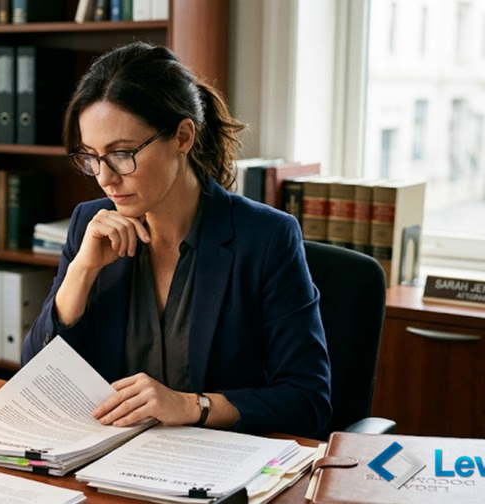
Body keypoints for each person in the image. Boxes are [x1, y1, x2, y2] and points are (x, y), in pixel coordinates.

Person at [21, 42, 331, 438]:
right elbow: (35, 376)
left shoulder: (267, 238)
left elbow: (308, 401)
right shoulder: (89, 224)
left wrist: (189, 405)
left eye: (121, 153)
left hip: (218, 469)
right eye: (92, 157)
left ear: (183, 136)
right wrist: (81, 272)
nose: (105, 177)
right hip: (111, 463)